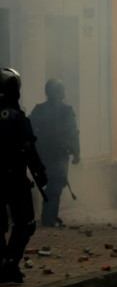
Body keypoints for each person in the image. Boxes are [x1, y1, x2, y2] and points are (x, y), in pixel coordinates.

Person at [0, 68, 47, 283]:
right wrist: (40, 173)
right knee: (25, 223)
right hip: (15, 180)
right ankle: (9, 264)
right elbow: (29, 150)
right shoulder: (18, 118)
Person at [29, 79, 80, 227]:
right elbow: (73, 134)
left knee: (53, 184)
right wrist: (76, 153)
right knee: (55, 185)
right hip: (57, 155)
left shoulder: (39, 109)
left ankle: (51, 216)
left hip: (45, 154)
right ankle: (48, 217)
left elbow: (30, 129)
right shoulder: (66, 110)